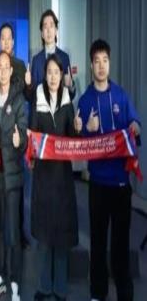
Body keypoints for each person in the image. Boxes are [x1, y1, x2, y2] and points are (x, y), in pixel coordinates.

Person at [75, 39, 141, 301]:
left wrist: (135, 126)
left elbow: (134, 124)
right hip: (98, 185)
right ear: (91, 65)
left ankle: (125, 293)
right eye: (97, 61)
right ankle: (97, 293)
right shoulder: (85, 101)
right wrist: (85, 129)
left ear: (109, 63)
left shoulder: (121, 96)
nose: (101, 66)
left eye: (105, 60)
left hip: (121, 185)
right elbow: (79, 144)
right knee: (98, 242)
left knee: (121, 245)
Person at [30, 54, 78, 301]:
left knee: (61, 235)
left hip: (63, 179)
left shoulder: (68, 103)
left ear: (62, 75)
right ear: (44, 75)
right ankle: (44, 286)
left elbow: (73, 140)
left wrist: (78, 129)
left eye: (56, 72)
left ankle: (60, 288)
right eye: (49, 72)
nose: (52, 77)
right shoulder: (37, 99)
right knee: (44, 236)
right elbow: (32, 135)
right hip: (43, 177)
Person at [0, 51, 27, 301]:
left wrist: (19, 139)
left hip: (12, 175)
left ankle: (14, 281)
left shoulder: (19, 100)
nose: (2, 71)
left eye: (6, 67)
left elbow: (23, 134)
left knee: (13, 231)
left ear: (11, 71)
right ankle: (0, 275)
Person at [25, 9, 75, 100]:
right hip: (41, 108)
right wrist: (28, 85)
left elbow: (71, 96)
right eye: (45, 27)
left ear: (56, 30)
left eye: (51, 26)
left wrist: (70, 86)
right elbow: (30, 97)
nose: (48, 30)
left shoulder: (64, 57)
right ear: (42, 34)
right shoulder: (36, 60)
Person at [0, 23, 26, 89]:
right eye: (3, 39)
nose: (6, 43)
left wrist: (29, 85)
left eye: (9, 38)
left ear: (13, 42)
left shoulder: (21, 65)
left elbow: (25, 91)